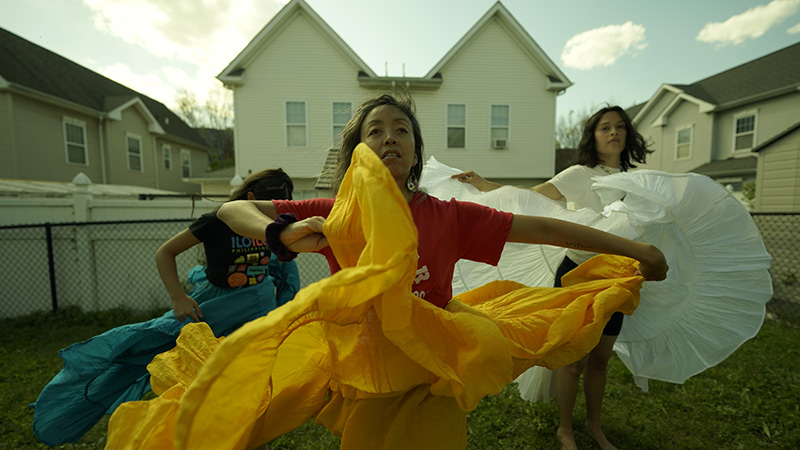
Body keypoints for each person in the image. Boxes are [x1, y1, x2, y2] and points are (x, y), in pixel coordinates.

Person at [104, 94, 667, 450]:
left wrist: (636, 251)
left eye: (401, 129)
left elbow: (543, 229)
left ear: (415, 153)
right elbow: (230, 211)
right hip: (364, 365)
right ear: (358, 153)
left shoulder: (447, 215)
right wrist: (278, 232)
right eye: (375, 130)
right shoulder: (335, 215)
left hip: (432, 365)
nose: (389, 137)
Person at [31, 169, 300, 446]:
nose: (273, 212)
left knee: (250, 384)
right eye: (270, 204)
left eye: (281, 206)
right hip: (215, 309)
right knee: (191, 371)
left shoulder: (277, 226)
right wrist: (178, 298)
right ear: (252, 197)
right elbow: (165, 252)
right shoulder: (217, 221)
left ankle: (250, 438)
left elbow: (284, 271)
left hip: (257, 314)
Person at [452, 105, 653, 450]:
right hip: (576, 272)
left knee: (601, 360)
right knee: (574, 359)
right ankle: (565, 430)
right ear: (593, 136)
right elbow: (530, 198)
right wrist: (484, 185)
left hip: (617, 277)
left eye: (620, 127)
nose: (613, 132)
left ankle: (594, 427)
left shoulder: (637, 180)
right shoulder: (579, 174)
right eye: (605, 128)